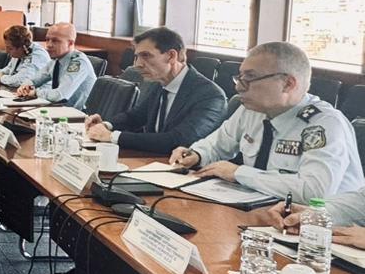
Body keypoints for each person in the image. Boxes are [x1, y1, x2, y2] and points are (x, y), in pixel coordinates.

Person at [169, 41, 363, 202]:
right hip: (265, 212)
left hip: (323, 228)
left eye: (250, 78)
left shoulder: (325, 124)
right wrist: (196, 154)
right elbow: (219, 144)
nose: (239, 87)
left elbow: (313, 192)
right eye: (240, 77)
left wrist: (239, 173)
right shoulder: (252, 109)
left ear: (288, 84)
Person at [84, 27, 226, 154]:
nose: (137, 64)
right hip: (154, 161)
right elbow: (135, 117)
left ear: (171, 56)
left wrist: (113, 136)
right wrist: (106, 125)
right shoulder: (159, 83)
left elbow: (178, 140)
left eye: (146, 55)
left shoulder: (210, 96)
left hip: (185, 169)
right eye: (137, 57)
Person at [14, 23, 96, 110]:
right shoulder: (56, 60)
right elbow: (34, 80)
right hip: (60, 110)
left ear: (70, 43)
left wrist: (35, 93)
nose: (49, 45)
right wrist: (25, 87)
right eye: (47, 40)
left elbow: (60, 95)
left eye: (55, 41)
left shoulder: (78, 63)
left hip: (79, 114)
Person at [0, 24, 50, 90]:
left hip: (40, 93)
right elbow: (10, 68)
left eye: (10, 48)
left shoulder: (38, 56)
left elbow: (21, 80)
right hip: (21, 91)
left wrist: (1, 78)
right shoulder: (20, 52)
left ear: (23, 47)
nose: (7, 51)